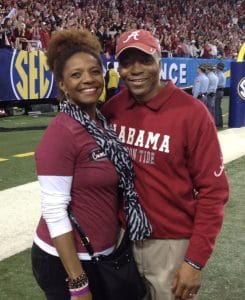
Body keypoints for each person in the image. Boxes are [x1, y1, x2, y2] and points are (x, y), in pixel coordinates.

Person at [101, 29, 229, 300]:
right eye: (126, 62)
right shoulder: (112, 109)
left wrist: (194, 261)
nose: (135, 70)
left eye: (145, 60)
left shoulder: (192, 114)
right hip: (121, 239)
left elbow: (213, 192)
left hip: (171, 244)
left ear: (160, 60)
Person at [31, 28, 151, 300]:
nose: (88, 79)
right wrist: (78, 283)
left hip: (102, 254)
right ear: (62, 84)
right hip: (68, 262)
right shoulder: (62, 132)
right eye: (76, 75)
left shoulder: (102, 123)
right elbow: (53, 211)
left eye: (94, 71)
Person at [215, 62, 226, 128]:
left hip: (218, 91)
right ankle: (220, 122)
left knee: (217, 107)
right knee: (218, 107)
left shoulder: (219, 75)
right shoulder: (221, 74)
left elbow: (217, 84)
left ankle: (218, 123)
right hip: (220, 91)